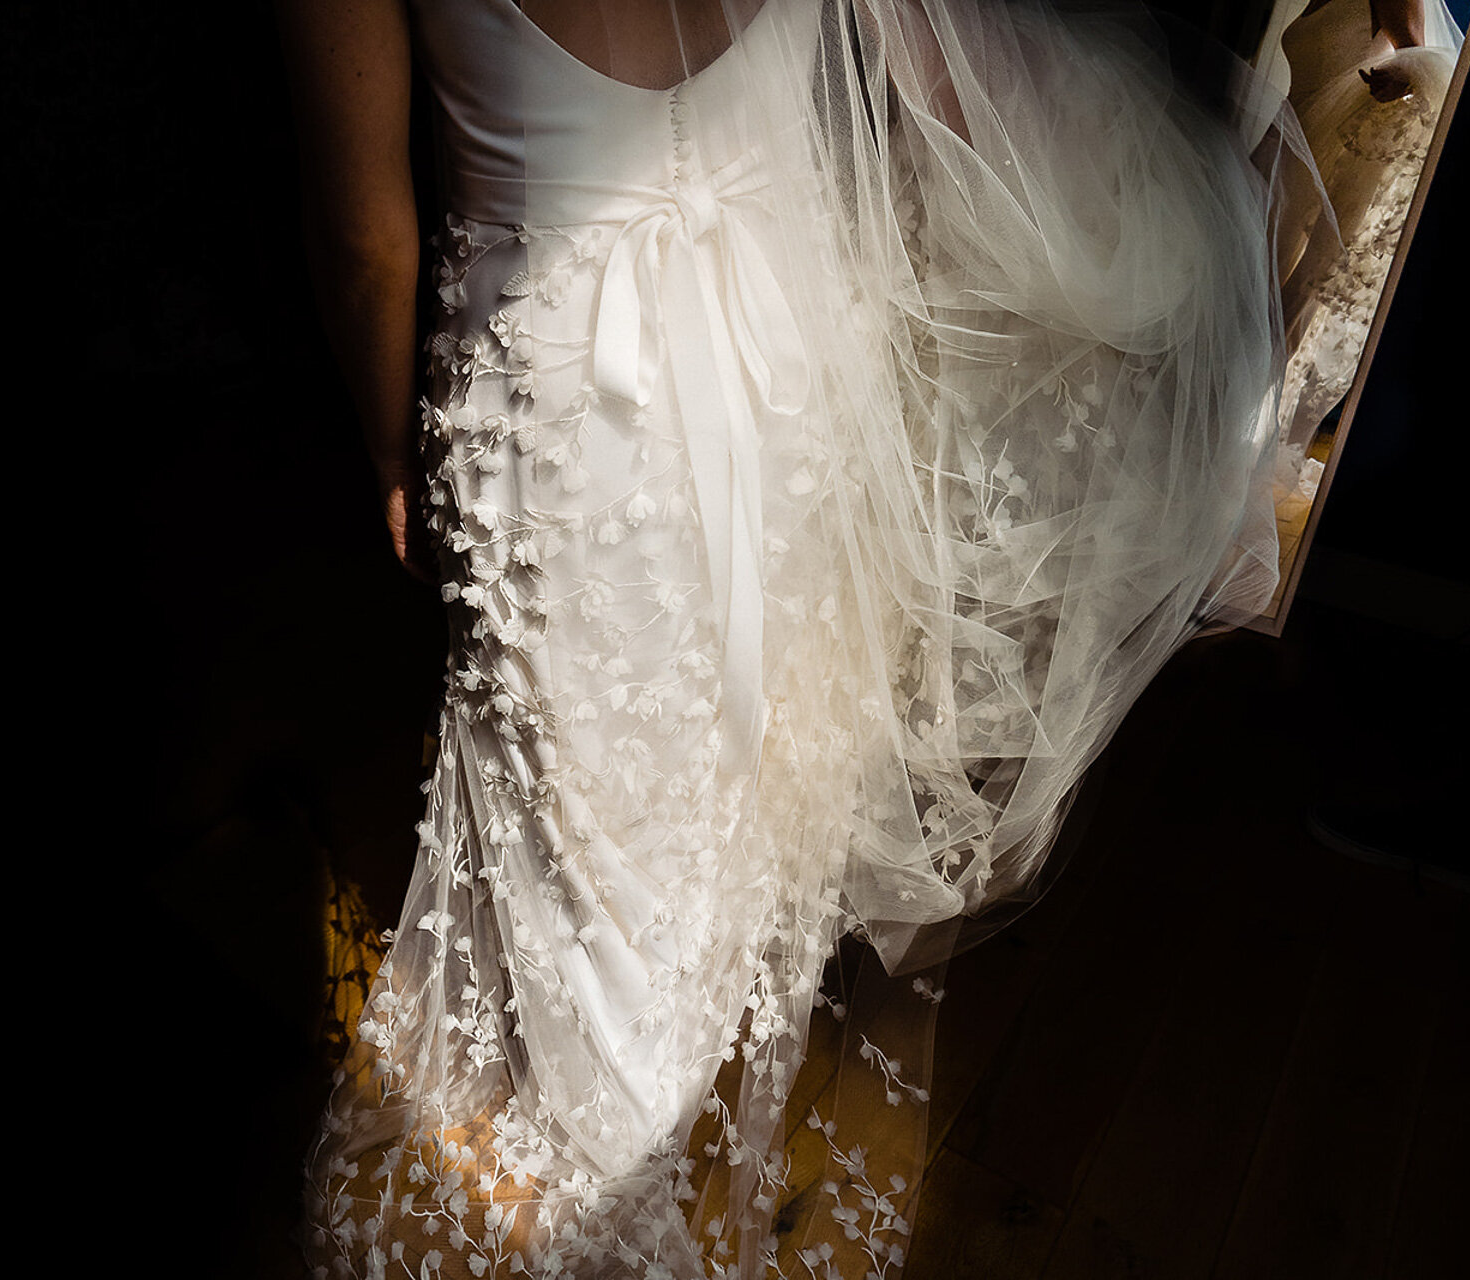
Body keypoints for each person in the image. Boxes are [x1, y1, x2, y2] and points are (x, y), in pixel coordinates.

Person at [276, 2, 1294, 1274]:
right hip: (785, 362)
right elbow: (926, 91)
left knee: (588, 856)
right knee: (724, 784)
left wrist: (385, 443)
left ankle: (603, 1166)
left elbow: (370, 239)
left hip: (567, 421)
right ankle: (638, 1126)